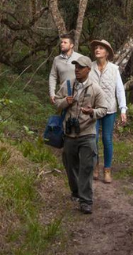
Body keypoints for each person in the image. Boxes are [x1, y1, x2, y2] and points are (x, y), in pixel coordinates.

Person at [52, 56, 108, 214]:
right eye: (75, 66)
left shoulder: (95, 88)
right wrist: (65, 102)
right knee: (70, 167)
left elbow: (104, 109)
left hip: (87, 134)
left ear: (88, 69)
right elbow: (56, 102)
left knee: (87, 167)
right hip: (69, 135)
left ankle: (86, 201)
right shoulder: (68, 85)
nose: (77, 69)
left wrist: (92, 112)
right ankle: (76, 192)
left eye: (81, 67)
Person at [89, 39, 127, 184]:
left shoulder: (114, 69)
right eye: (96, 48)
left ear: (106, 53)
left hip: (109, 110)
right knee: (93, 139)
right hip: (93, 110)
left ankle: (107, 170)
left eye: (100, 48)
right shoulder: (89, 67)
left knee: (107, 139)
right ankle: (95, 167)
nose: (97, 50)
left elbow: (120, 90)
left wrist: (123, 109)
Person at [48, 33, 82, 103]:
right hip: (63, 96)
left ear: (71, 45)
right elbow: (53, 76)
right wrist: (52, 93)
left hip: (78, 95)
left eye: (65, 42)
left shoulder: (80, 58)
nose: (62, 44)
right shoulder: (57, 59)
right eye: (61, 42)